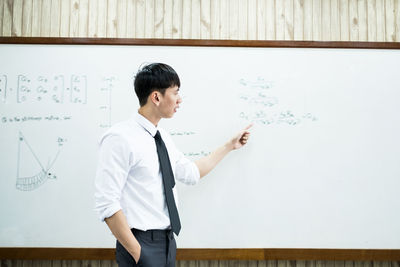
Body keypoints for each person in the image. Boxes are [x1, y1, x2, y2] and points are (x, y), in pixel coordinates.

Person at [94, 63, 252, 267]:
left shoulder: (162, 138)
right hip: (140, 244)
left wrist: (229, 146)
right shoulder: (120, 138)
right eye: (175, 92)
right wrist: (138, 253)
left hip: (167, 242)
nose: (180, 100)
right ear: (156, 97)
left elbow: (191, 173)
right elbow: (107, 203)